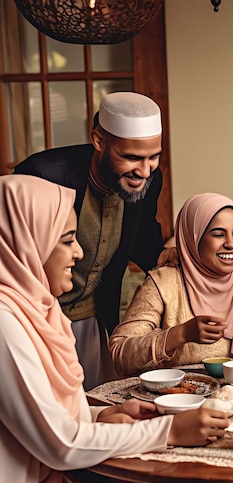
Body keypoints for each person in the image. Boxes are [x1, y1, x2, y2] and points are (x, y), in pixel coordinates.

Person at [0, 174, 230, 483]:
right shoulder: (5, 325)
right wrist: (169, 429)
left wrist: (107, 413)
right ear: (24, 242)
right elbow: (59, 443)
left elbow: (44, 407)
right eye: (66, 240)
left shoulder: (34, 309)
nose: (81, 253)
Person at [14, 91, 172, 390]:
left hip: (96, 318)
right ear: (99, 141)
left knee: (98, 405)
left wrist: (173, 255)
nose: (145, 170)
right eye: (132, 157)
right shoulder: (42, 175)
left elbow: (143, 242)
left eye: (154, 156)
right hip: (35, 321)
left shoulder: (151, 178)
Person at [110, 192, 233, 375]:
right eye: (218, 234)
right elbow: (119, 354)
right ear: (194, 239)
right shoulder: (165, 284)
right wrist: (179, 335)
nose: (231, 244)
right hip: (178, 399)